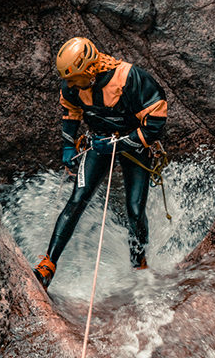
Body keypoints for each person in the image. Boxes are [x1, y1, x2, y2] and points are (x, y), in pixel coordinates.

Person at [33, 37, 168, 290]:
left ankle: (139, 265)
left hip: (135, 145)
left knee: (135, 210)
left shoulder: (131, 79)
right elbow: (71, 111)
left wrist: (121, 143)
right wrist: (67, 144)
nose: (69, 84)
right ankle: (48, 266)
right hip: (99, 143)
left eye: (73, 79)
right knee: (78, 198)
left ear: (89, 71)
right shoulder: (73, 85)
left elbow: (155, 125)